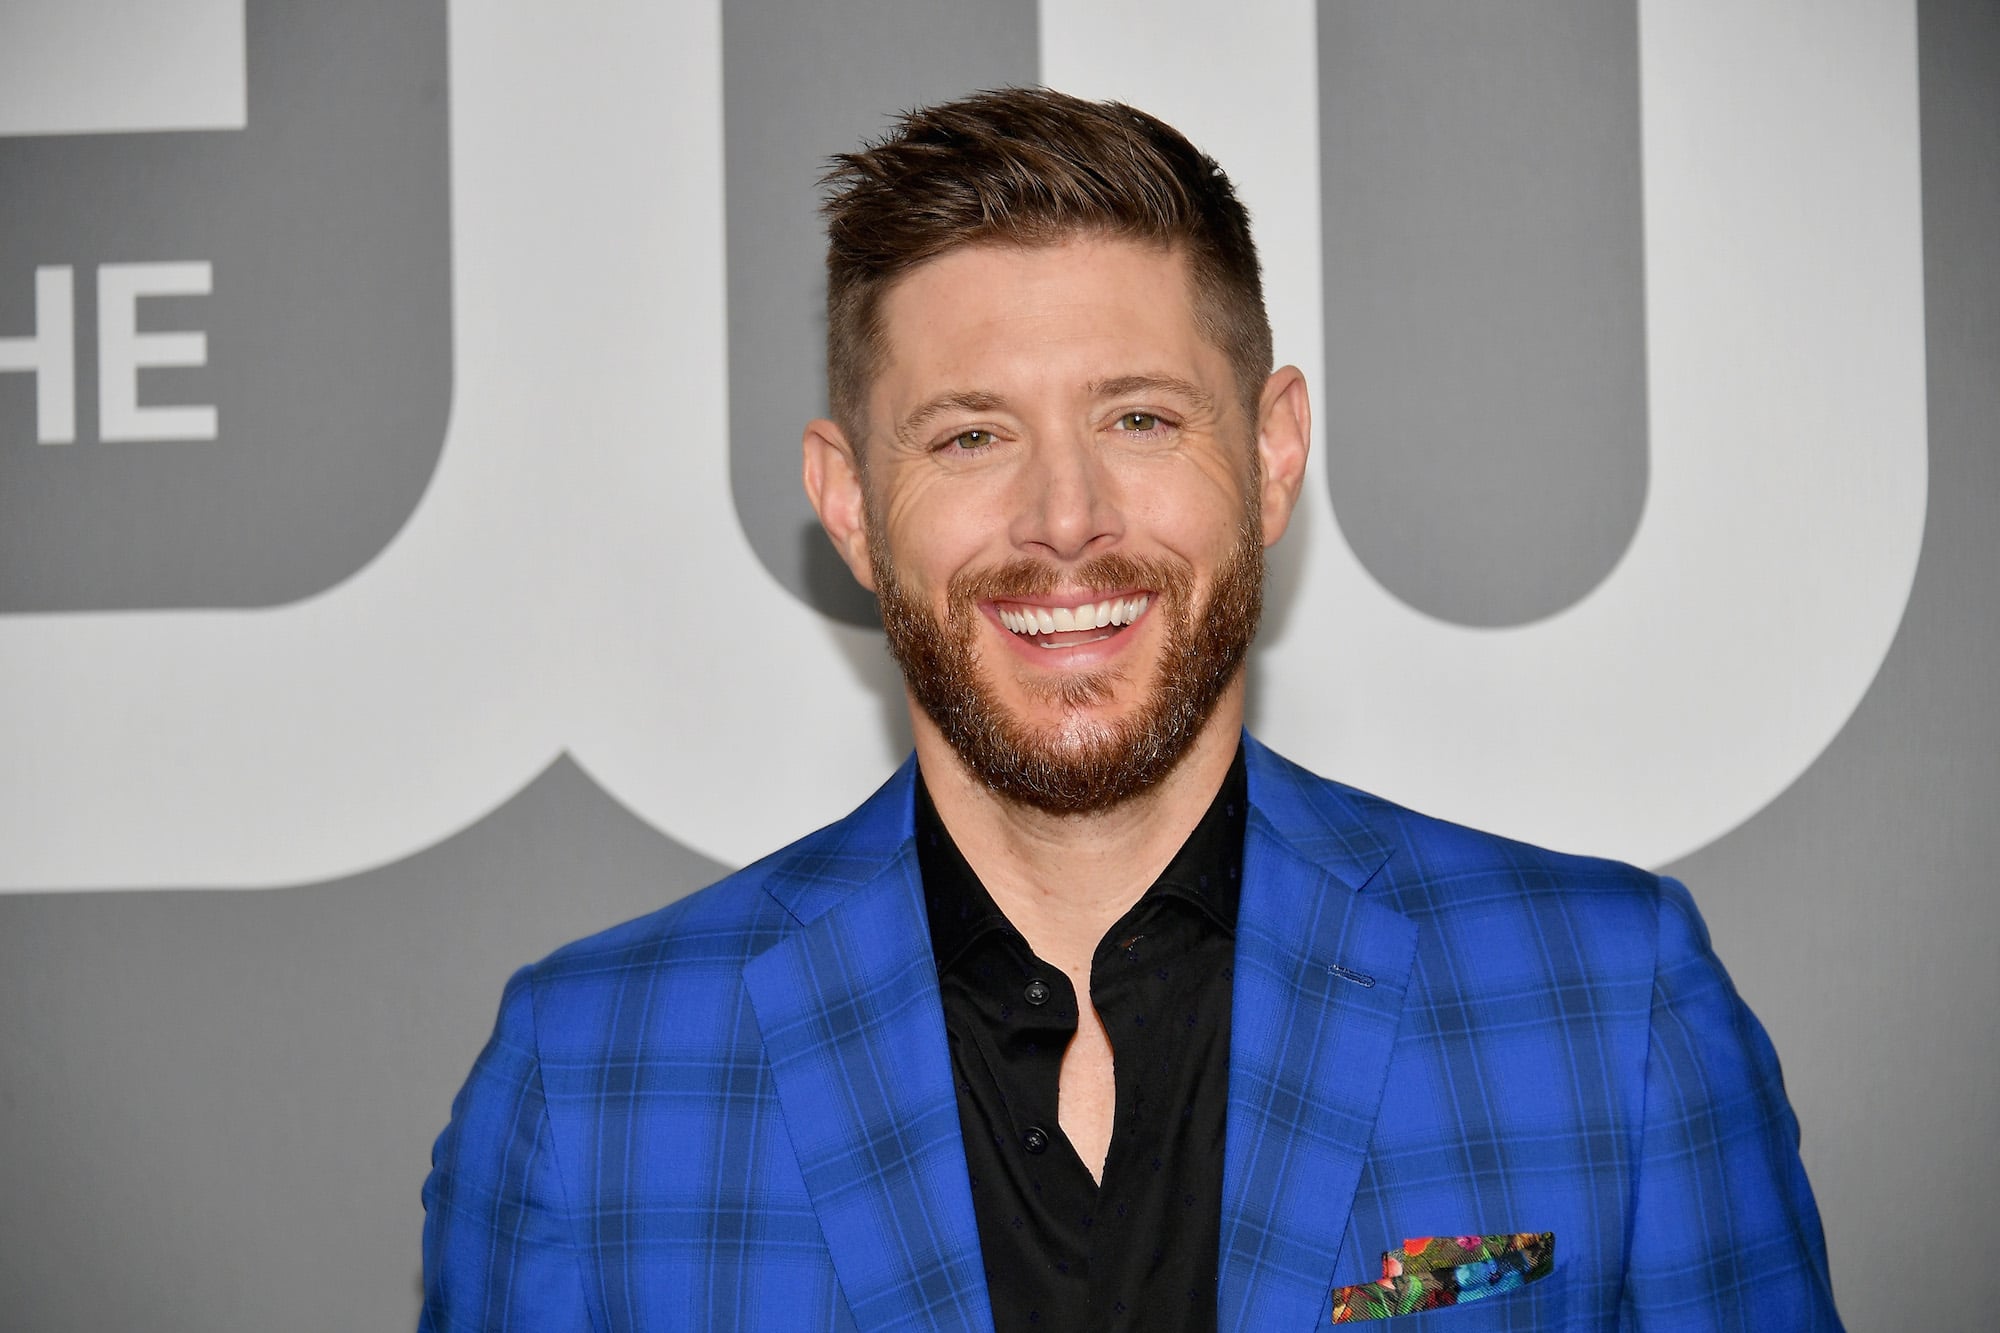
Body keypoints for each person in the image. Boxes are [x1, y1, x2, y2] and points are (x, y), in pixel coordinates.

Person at [421, 88, 1840, 1331]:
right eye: (972, 434)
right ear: (850, 504)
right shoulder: (593, 1080)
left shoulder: (1609, 1003)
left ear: (1272, 454)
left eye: (1140, 418)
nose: (1065, 517)